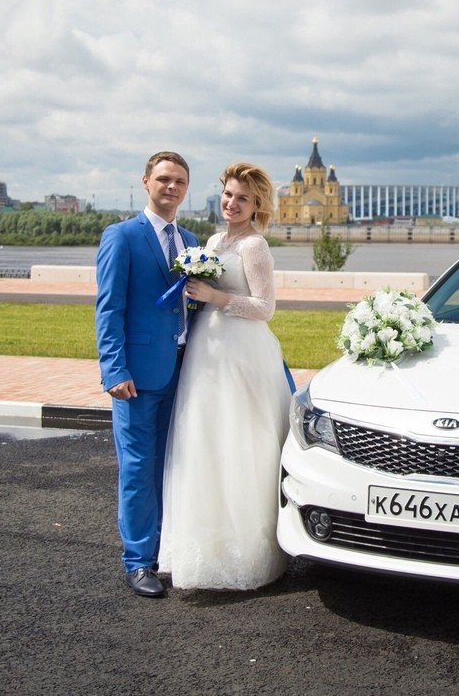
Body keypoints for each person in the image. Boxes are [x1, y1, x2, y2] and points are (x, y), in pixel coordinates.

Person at [158, 162, 292, 591]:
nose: (232, 203)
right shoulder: (215, 241)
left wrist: (215, 296)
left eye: (243, 198)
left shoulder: (254, 246)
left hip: (241, 353)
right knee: (204, 441)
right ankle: (205, 546)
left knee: (239, 442)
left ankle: (246, 552)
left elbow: (265, 308)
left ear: (256, 206)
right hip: (207, 349)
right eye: (229, 194)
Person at [95, 151, 199, 598]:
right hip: (136, 376)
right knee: (138, 469)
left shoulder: (190, 240)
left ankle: (166, 550)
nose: (171, 187)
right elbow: (108, 308)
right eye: (163, 179)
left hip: (184, 372)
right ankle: (139, 562)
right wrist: (114, 369)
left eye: (179, 181)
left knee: (171, 466)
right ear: (146, 182)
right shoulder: (122, 236)